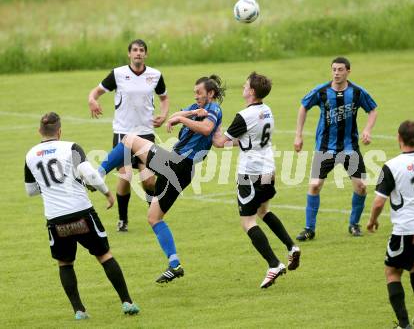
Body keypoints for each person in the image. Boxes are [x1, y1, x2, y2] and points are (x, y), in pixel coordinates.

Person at [98, 75, 225, 283]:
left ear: (210, 94)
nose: (196, 96)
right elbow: (177, 116)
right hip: (182, 170)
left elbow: (206, 129)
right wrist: (190, 112)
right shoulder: (198, 107)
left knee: (129, 139)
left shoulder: (214, 109)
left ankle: (99, 173)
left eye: (199, 93)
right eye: (195, 92)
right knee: (153, 218)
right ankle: (175, 265)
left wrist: (183, 119)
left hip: (179, 162)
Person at [24, 112, 139, 320]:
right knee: (104, 255)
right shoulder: (71, 147)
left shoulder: (30, 155)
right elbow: (91, 174)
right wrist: (107, 193)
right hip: (81, 213)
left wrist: (50, 187)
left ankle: (79, 310)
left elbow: (31, 190)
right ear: (60, 131)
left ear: (39, 131)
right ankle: (127, 302)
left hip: (56, 219)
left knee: (65, 263)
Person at [212, 72, 301, 288]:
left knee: (248, 222)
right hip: (269, 169)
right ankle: (291, 247)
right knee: (263, 212)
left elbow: (220, 142)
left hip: (249, 173)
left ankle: (273, 264)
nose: (242, 87)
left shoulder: (244, 116)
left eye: (245, 86)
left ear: (251, 91)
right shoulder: (267, 110)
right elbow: (246, 141)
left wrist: (212, 119)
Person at [88, 39, 169, 232]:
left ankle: (154, 215)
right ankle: (122, 219)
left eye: (142, 50)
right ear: (129, 54)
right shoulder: (118, 74)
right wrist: (92, 100)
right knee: (125, 177)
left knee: (149, 180)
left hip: (146, 134)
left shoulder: (155, 75)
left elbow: (164, 98)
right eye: (135, 50)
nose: (138, 53)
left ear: (146, 54)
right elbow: (96, 92)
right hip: (123, 133)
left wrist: (164, 115)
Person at [293, 56, 378, 241]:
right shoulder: (321, 91)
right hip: (325, 148)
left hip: (350, 148)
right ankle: (309, 229)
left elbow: (373, 109)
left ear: (348, 71)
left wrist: (367, 130)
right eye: (334, 69)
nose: (336, 73)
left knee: (361, 187)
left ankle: (354, 224)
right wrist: (298, 135)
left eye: (340, 70)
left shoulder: (357, 92)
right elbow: (303, 107)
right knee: (314, 185)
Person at [366, 121, 414, 329]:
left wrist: (372, 221)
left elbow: (379, 201)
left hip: (407, 231)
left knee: (392, 272)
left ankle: (404, 324)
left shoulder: (391, 166)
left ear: (399, 138)